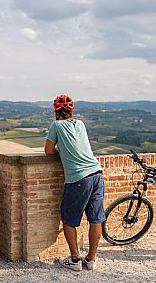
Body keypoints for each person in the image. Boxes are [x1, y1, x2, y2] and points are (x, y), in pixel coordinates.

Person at [44, 94, 105, 271]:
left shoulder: (56, 125)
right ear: (71, 111)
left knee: (69, 219)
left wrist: (59, 149)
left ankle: (75, 260)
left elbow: (48, 150)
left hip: (79, 178)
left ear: (56, 111)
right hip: (97, 174)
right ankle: (91, 259)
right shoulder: (80, 124)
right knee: (95, 218)